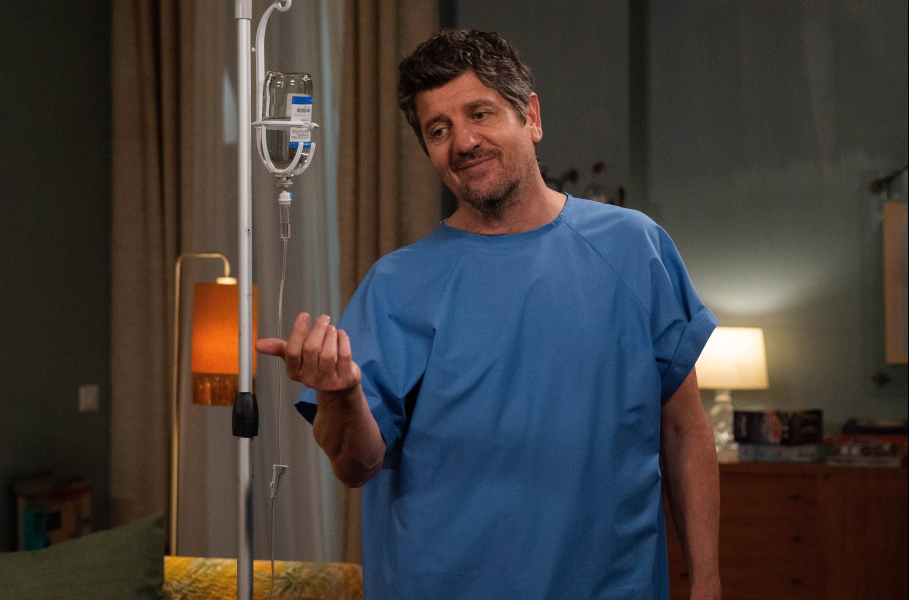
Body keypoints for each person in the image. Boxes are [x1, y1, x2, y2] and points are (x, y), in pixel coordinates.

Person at [257, 29, 721, 600]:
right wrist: (341, 395)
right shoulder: (396, 286)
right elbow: (356, 465)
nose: (464, 141)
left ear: (531, 118)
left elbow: (683, 428)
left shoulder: (635, 248)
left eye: (480, 113)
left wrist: (707, 580)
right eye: (438, 130)